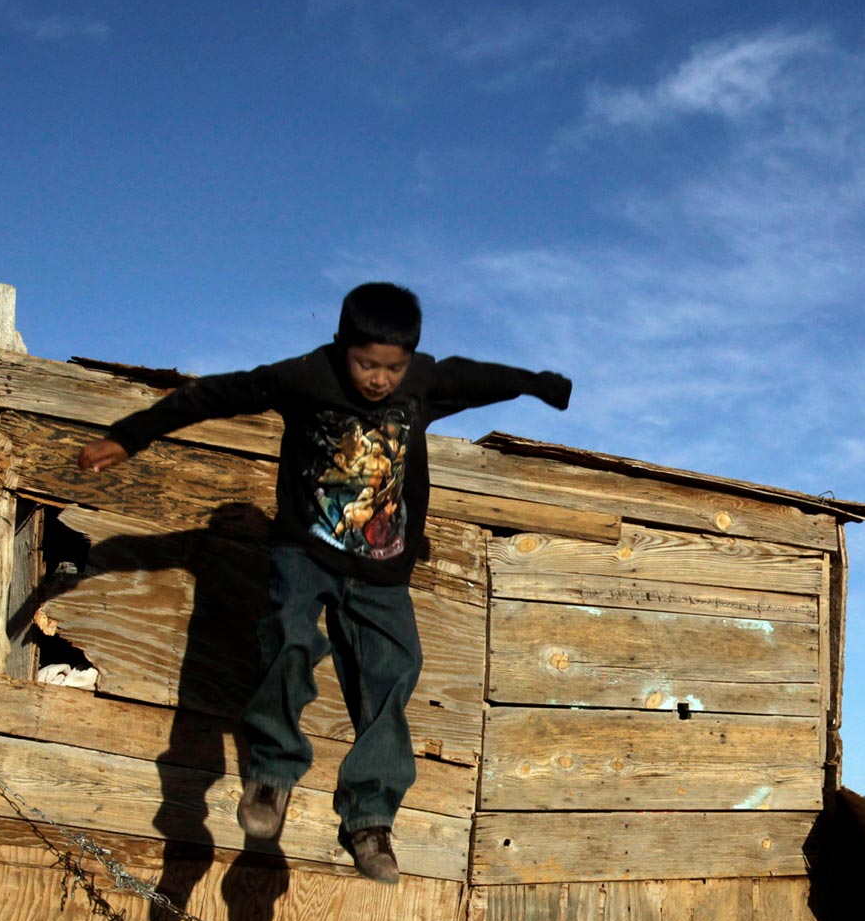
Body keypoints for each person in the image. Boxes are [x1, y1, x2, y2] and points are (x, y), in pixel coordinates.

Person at [74, 282, 569, 883]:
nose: (380, 380)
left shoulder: (423, 382)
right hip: (306, 551)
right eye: (366, 364)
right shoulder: (306, 376)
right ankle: (272, 775)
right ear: (342, 347)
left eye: (393, 367)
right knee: (288, 637)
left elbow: (478, 376)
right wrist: (130, 435)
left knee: (394, 674)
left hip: (382, 570)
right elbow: (211, 396)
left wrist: (538, 382)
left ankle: (369, 820)